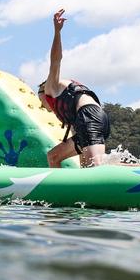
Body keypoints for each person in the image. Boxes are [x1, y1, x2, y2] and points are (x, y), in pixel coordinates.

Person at [37, 9, 110, 168]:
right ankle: (59, 193)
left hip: (89, 117)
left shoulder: (51, 88)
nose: (44, 107)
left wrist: (57, 32)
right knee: (54, 157)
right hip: (92, 119)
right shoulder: (69, 103)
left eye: (41, 102)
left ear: (43, 93)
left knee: (96, 168)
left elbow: (55, 61)